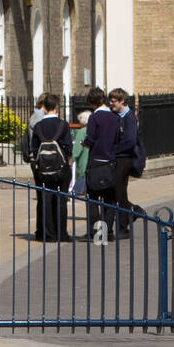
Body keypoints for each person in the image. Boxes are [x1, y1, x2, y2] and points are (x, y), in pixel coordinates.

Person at [23, 93, 72, 242]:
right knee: (61, 200)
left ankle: (48, 234)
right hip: (61, 168)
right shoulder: (63, 125)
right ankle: (61, 233)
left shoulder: (38, 126)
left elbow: (34, 148)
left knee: (45, 200)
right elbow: (69, 148)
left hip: (42, 169)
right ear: (57, 107)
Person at [82, 87, 120, 242]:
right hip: (110, 161)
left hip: (96, 161)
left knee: (92, 197)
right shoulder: (115, 117)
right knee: (109, 198)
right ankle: (107, 232)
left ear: (92, 102)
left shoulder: (94, 118)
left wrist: (84, 143)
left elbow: (90, 139)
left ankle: (95, 232)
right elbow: (118, 139)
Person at [109, 88, 146, 239]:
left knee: (119, 191)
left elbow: (130, 141)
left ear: (122, 101)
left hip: (125, 158)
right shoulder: (115, 115)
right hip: (117, 158)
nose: (111, 103)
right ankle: (129, 218)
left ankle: (126, 221)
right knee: (119, 192)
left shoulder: (130, 117)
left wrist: (114, 150)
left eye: (114, 101)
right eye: (110, 100)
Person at [70, 110, 91, 196]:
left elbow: (77, 148)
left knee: (77, 189)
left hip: (83, 162)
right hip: (92, 162)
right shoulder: (93, 130)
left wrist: (72, 158)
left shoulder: (82, 131)